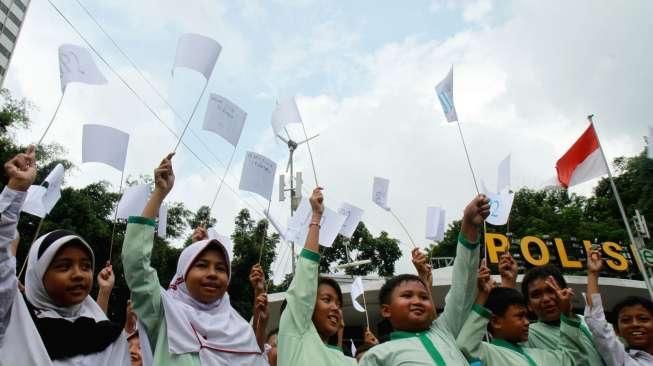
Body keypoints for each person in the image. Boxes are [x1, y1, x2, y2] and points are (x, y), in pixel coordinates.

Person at [121, 153, 267, 365]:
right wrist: (159, 194)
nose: (212, 274)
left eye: (220, 268)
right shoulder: (165, 313)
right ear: (183, 274)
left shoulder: (242, 331)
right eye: (201, 265)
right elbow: (135, 263)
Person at [0, 146, 131, 365]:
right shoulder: (11, 317)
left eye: (86, 266)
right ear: (38, 273)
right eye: (64, 266)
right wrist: (15, 190)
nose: (79, 274)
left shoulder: (109, 338)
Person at [359, 195, 490, 365]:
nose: (417, 301)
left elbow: (462, 286)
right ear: (386, 310)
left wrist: (469, 225)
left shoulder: (445, 331)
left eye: (424, 297)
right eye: (407, 296)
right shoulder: (378, 355)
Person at [277, 187, 357, 365]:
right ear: (308, 306)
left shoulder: (349, 362)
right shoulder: (294, 333)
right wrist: (316, 217)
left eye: (338, 304)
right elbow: (305, 278)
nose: (336, 308)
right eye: (327, 299)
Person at [456, 263, 589, 365]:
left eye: (526, 316)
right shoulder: (489, 354)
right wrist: (483, 296)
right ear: (496, 322)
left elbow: (574, 361)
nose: (527, 322)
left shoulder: (541, 355)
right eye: (520, 316)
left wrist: (567, 314)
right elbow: (465, 346)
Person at [509, 260, 604, 364]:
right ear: (529, 305)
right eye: (536, 295)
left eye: (551, 290)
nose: (546, 299)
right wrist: (508, 281)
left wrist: (593, 274)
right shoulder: (527, 334)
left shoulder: (585, 321)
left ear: (566, 292)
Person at [585, 248, 653, 365]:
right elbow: (597, 323)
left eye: (643, 319)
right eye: (626, 320)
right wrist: (593, 274)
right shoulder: (622, 361)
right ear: (617, 330)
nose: (635, 324)